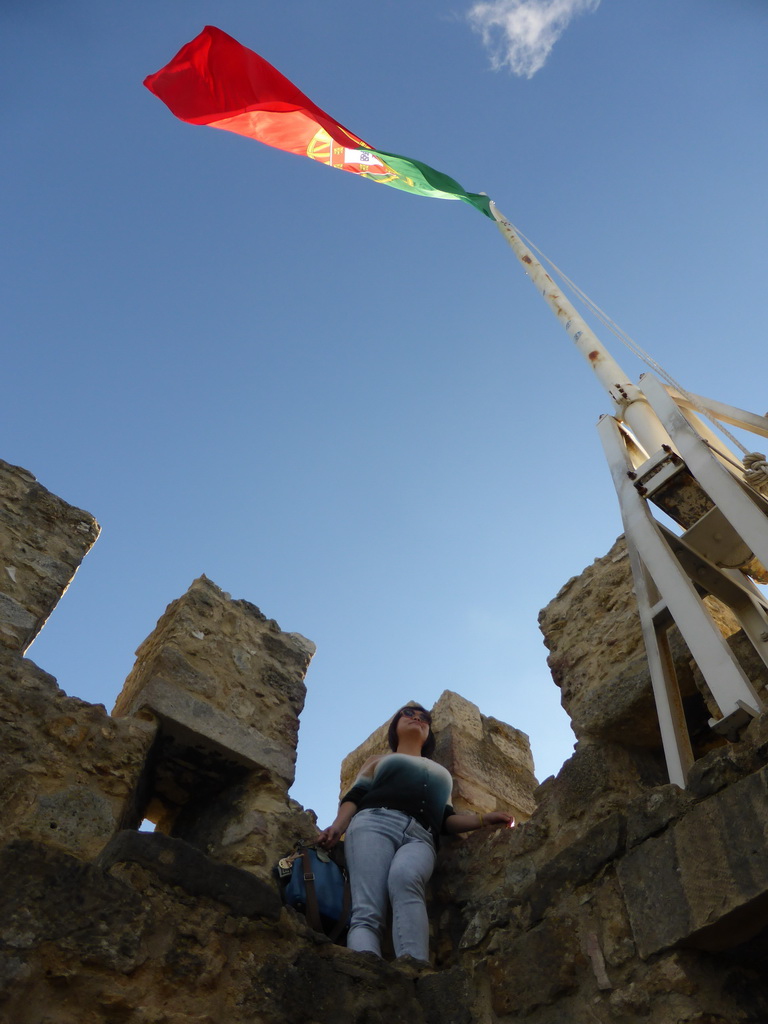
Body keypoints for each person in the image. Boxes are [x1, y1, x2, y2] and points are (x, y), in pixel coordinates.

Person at [316, 703, 514, 963]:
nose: (417, 718)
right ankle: (366, 971)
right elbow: (355, 796)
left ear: (429, 732)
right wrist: (338, 827)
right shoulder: (377, 761)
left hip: (422, 836)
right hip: (374, 822)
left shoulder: (441, 773)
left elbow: (446, 820)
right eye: (408, 714)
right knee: (367, 907)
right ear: (395, 726)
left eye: (424, 718)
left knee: (407, 879)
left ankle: (414, 966)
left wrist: (483, 819)